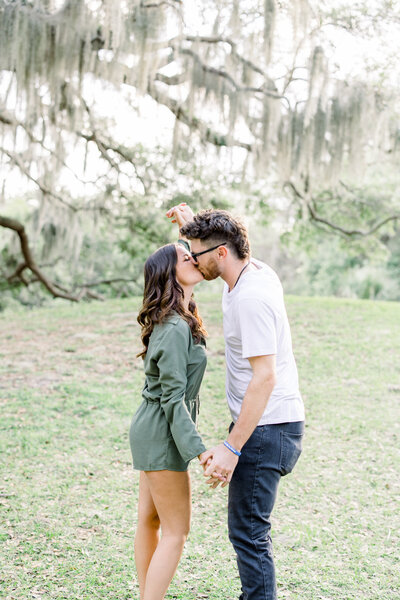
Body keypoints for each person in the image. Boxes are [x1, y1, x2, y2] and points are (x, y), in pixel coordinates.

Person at [166, 204, 305, 600]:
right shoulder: (251, 271)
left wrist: (231, 447)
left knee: (247, 530)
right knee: (248, 528)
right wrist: (192, 226)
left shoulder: (252, 298)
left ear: (222, 253)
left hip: (268, 427)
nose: (192, 260)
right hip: (265, 424)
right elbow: (218, 239)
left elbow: (265, 377)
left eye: (196, 254)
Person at [129, 241, 215, 600]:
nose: (194, 259)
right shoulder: (175, 327)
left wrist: (187, 227)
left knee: (150, 521)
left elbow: (217, 256)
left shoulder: (178, 319)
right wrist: (200, 451)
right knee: (176, 532)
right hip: (163, 431)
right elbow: (173, 401)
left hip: (152, 427)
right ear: (170, 273)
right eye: (185, 258)